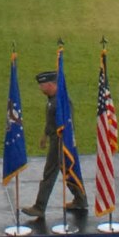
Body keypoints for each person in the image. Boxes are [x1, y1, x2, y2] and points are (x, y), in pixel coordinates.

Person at [24, 68, 87, 224]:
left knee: (49, 174)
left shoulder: (62, 101)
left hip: (61, 142)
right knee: (69, 172)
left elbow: (67, 123)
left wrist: (61, 142)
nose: (40, 88)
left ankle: (39, 207)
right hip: (55, 140)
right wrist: (45, 135)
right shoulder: (52, 99)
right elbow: (51, 120)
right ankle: (80, 200)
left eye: (42, 85)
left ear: (51, 85)